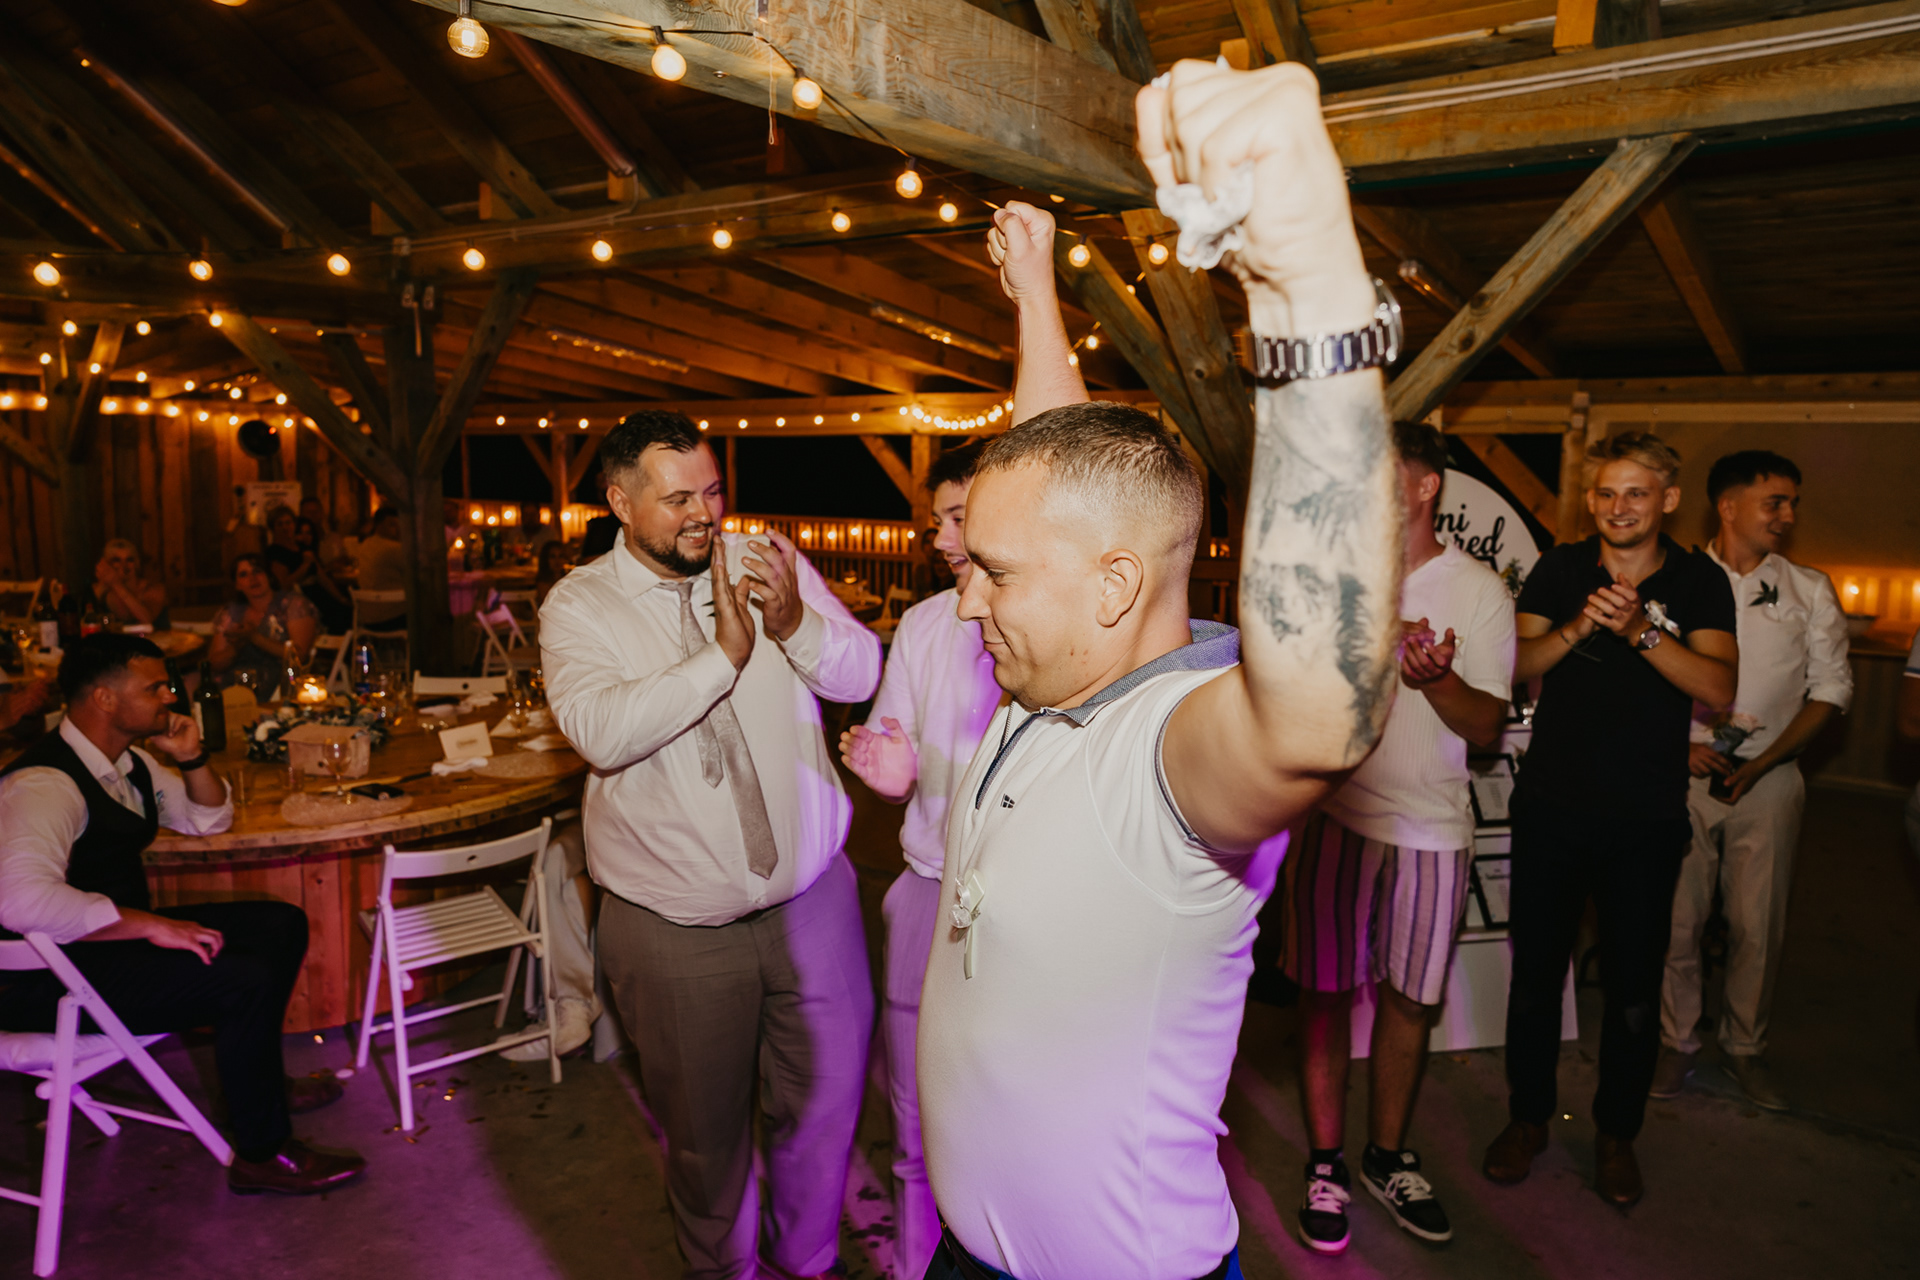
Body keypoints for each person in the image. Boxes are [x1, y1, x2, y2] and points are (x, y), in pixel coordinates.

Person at [918, 61, 1405, 1280]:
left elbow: (1318, 713)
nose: (964, 598)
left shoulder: (1171, 749)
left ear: (1116, 589)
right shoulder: (1056, 658)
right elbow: (1068, 489)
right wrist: (1036, 294)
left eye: (990, 574)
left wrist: (1306, 285)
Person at [541, 410, 881, 1280]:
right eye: (679, 499)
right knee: (705, 1138)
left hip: (814, 904)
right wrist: (723, 657)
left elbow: (861, 672)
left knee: (825, 1111)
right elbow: (602, 731)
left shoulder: (767, 560)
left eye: (714, 491)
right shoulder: (579, 605)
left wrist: (797, 624)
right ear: (621, 502)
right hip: (674, 932)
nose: (706, 514)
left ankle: (805, 1260)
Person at [0, 633, 365, 1194]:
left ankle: (256, 1084)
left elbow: (208, 819)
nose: (171, 696)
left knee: (281, 924)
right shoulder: (44, 783)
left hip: (99, 952)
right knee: (243, 978)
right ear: (104, 699)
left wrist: (192, 757)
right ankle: (263, 1154)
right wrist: (150, 924)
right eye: (155, 688)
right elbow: (21, 902)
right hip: (44, 980)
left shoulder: (128, 763)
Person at [1484, 432, 1737, 1209]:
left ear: (1668, 499)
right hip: (1552, 808)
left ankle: (1616, 1135)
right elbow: (1514, 665)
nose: (1618, 507)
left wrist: (1639, 631)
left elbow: (1719, 688)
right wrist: (1578, 628)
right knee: (1535, 978)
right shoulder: (1561, 569)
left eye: (1635, 492)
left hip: (1644, 817)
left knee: (1632, 986)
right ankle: (1528, 1118)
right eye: (1605, 493)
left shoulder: (1698, 580)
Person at [1281, 420, 1516, 1254]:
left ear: (1423, 486)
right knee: (1322, 995)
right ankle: (1325, 1164)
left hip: (1431, 829)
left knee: (1411, 1002)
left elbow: (1487, 726)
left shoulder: (1479, 590)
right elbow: (1286, 699)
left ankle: (1387, 1156)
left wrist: (1438, 679)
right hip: (1335, 818)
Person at [837, 441, 1001, 1280]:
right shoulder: (926, 624)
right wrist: (889, 773)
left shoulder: (1052, 628)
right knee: (912, 1113)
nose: (938, 538)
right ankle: (913, 1263)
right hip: (925, 890)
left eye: (958, 518)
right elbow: (897, 753)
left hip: (1013, 907)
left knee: (1004, 1110)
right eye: (937, 519)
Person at [1652, 451, 1850, 1111]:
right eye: (1776, 502)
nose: (1788, 516)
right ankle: (1676, 1042)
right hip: (1678, 775)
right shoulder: (1670, 580)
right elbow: (1637, 676)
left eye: (1793, 503)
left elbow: (1831, 691)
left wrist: (1764, 764)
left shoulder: (1808, 589)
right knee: (1676, 920)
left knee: (1757, 926)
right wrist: (1677, 747)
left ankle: (1745, 1048)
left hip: (1770, 777)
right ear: (1728, 506)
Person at [208, 554, 319, 695]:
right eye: (243, 574)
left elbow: (299, 656)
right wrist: (237, 646)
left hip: (282, 686)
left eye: (257, 571)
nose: (252, 578)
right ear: (237, 584)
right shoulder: (230, 613)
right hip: (235, 687)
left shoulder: (293, 605)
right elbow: (215, 663)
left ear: (269, 576)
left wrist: (254, 637)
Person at [88, 538, 171, 630]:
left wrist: (117, 585)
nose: (124, 565)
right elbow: (86, 619)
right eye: (117, 560)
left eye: (129, 560)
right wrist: (103, 584)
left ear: (136, 563)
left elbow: (146, 621)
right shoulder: (100, 590)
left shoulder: (154, 589)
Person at [352, 507, 409, 627]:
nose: (397, 529)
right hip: (393, 616)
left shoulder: (365, 545)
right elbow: (418, 573)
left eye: (399, 525)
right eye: (392, 525)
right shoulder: (394, 548)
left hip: (366, 616)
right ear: (379, 526)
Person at [533, 539, 575, 607]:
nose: (557, 561)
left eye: (560, 556)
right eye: (553, 557)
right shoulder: (543, 583)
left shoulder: (569, 579)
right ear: (546, 559)